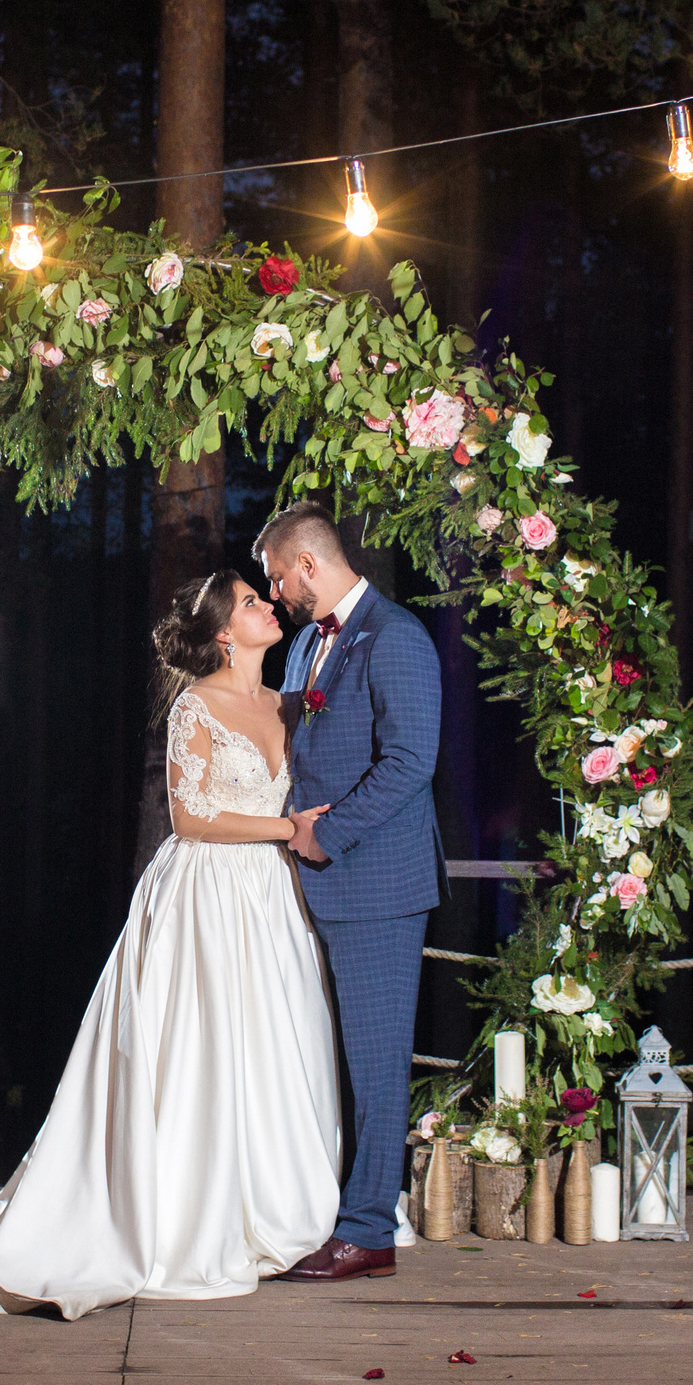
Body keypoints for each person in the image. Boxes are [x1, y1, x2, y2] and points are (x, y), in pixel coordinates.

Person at [0, 571, 342, 1317]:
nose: (268, 605)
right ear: (225, 633)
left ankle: (265, 1205)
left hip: (269, 898)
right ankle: (180, 1214)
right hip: (206, 895)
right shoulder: (196, 705)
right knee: (199, 1050)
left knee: (269, 1043)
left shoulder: (283, 704)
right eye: (249, 601)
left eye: (261, 598)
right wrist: (287, 830)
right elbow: (193, 813)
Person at [257, 501, 444, 1284]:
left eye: (276, 578)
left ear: (307, 565)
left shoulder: (395, 637)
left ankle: (368, 1229)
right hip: (313, 887)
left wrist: (324, 835)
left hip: (376, 885)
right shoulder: (305, 642)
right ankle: (323, 1206)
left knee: (373, 1061)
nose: (273, 594)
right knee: (319, 1058)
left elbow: (409, 763)